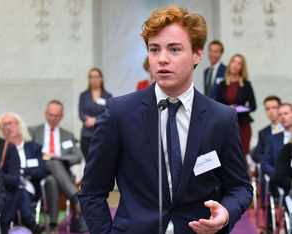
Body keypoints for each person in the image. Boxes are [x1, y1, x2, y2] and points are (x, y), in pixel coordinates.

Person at [79, 5, 252, 234]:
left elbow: (239, 186)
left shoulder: (222, 118)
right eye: (154, 49)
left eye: (174, 49)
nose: (162, 59)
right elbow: (92, 190)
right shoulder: (119, 113)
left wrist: (226, 212)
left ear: (197, 54)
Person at [29, 100, 88, 233]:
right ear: (45, 114)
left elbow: (77, 157)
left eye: (56, 115)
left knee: (53, 177)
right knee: (51, 161)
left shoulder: (67, 135)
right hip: (41, 170)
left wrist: (61, 157)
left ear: (62, 116)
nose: (53, 118)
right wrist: (46, 156)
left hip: (61, 173)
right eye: (50, 115)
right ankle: (75, 197)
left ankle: (53, 225)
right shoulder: (34, 132)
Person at [0, 112, 47, 233]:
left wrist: (23, 171)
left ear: (20, 125)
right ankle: (30, 223)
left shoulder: (33, 147)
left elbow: (42, 170)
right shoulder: (1, 149)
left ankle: (9, 224)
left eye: (10, 123)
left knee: (20, 188)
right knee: (18, 188)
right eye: (4, 125)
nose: (7, 128)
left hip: (31, 186)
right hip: (8, 186)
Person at [216, 54, 256, 159]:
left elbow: (253, 106)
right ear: (230, 64)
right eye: (234, 62)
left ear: (242, 68)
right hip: (227, 125)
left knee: (242, 156)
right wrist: (228, 108)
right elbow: (217, 104)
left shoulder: (246, 84)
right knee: (227, 156)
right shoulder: (222, 84)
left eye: (239, 64)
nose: (235, 65)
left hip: (243, 124)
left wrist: (240, 108)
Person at [79, 68, 112, 159]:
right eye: (92, 77)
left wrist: (95, 120)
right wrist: (87, 120)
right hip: (86, 134)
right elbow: (81, 113)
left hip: (101, 133)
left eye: (96, 77)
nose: (94, 80)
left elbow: (108, 112)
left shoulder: (107, 96)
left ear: (101, 79)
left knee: (101, 161)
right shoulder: (84, 95)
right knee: (88, 162)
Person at [261, 103, 292, 182]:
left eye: (286, 113)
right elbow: (265, 163)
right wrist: (280, 176)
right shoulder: (272, 138)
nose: (283, 117)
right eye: (280, 114)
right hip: (280, 182)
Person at [252, 95, 283, 163]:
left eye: (274, 108)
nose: (271, 111)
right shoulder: (263, 133)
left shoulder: (289, 129)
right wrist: (269, 161)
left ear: (280, 108)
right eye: (267, 109)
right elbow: (256, 154)